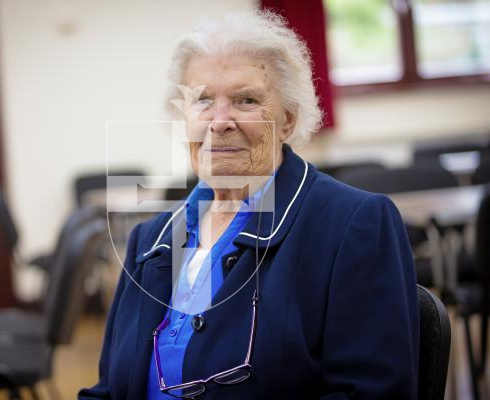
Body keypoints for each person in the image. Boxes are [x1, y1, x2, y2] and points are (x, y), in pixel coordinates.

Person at [79, 9, 418, 399]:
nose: (219, 121)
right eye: (202, 100)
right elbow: (109, 389)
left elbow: (373, 391)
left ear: (288, 121)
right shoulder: (148, 241)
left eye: (246, 100)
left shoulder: (354, 224)